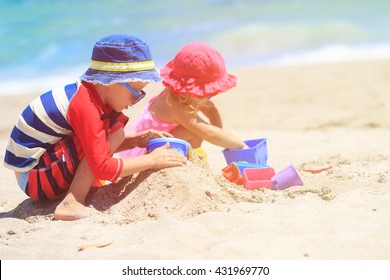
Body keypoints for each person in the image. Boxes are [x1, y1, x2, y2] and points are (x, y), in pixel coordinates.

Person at [3, 34, 187, 221]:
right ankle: (71, 202)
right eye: (135, 92)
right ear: (109, 82)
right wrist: (152, 161)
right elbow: (102, 167)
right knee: (114, 131)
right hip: (35, 177)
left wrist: (136, 141)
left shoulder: (90, 96)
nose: (136, 100)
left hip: (44, 168)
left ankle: (74, 194)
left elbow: (96, 145)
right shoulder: (85, 105)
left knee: (113, 130)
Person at [119, 41, 247, 159]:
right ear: (193, 90)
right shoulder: (175, 106)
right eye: (207, 93)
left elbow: (212, 111)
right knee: (194, 132)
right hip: (148, 150)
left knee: (197, 131)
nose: (210, 96)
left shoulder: (184, 94)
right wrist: (240, 146)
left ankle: (189, 156)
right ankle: (186, 160)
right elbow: (209, 133)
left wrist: (222, 135)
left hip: (159, 139)